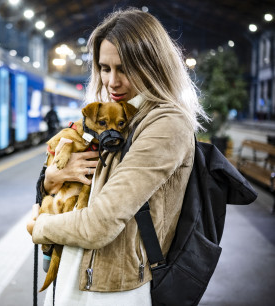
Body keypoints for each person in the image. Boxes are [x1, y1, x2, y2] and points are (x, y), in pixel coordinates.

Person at [27, 7, 209, 306]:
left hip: (114, 291)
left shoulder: (165, 124)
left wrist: (39, 227)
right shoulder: (116, 116)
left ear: (153, 65)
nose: (112, 81)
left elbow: (101, 224)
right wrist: (49, 179)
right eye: (104, 68)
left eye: (125, 68)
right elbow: (81, 188)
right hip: (77, 272)